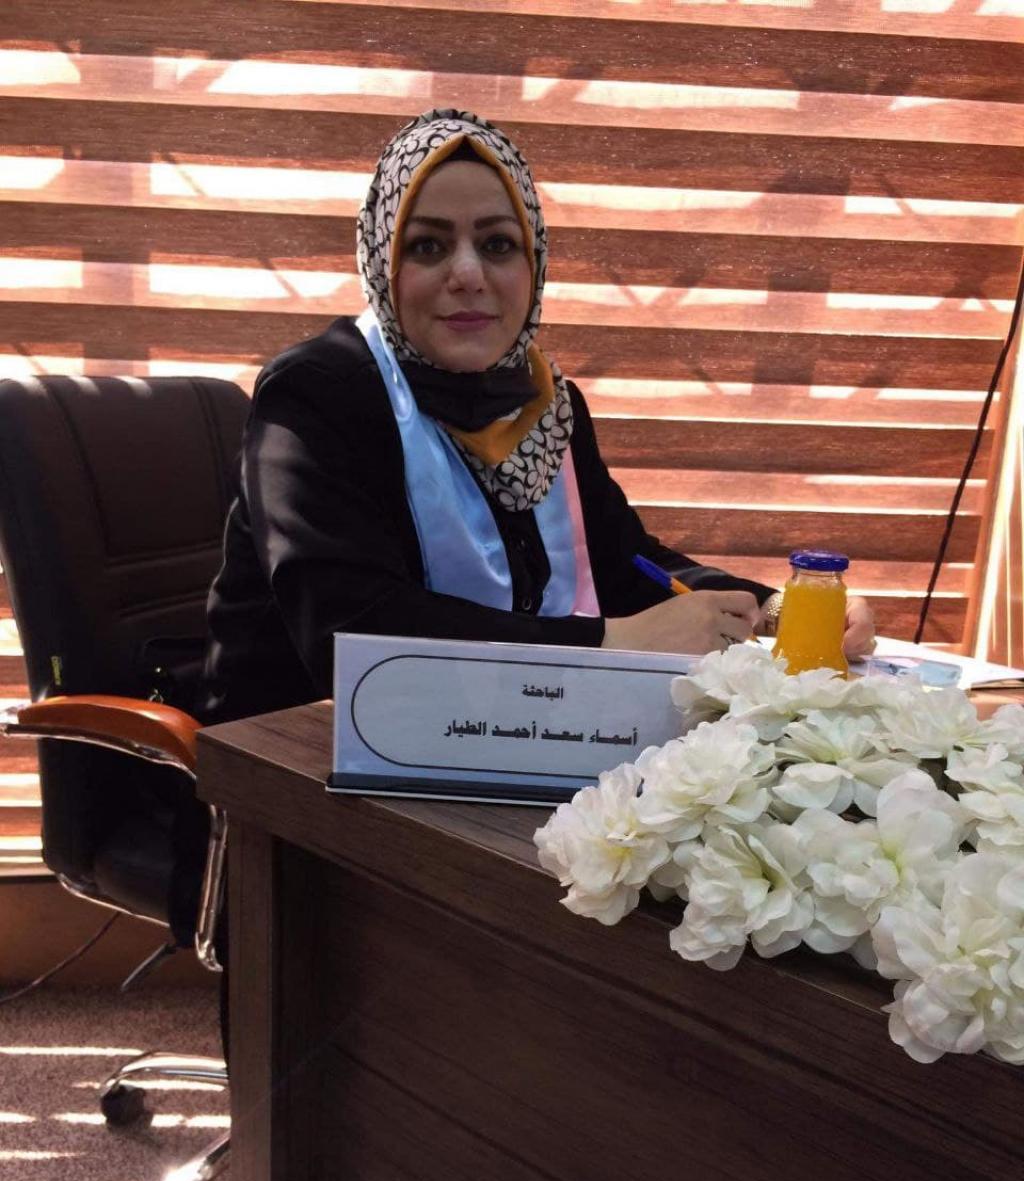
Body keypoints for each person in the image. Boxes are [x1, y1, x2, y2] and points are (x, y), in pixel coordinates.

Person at [196, 109, 874, 727]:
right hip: (293, 760)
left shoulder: (545, 405)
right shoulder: (316, 396)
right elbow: (355, 636)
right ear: (383, 262)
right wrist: (608, 641)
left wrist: (777, 609)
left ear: (535, 262)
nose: (468, 273)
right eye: (428, 247)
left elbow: (625, 563)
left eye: (497, 245)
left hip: (505, 737)